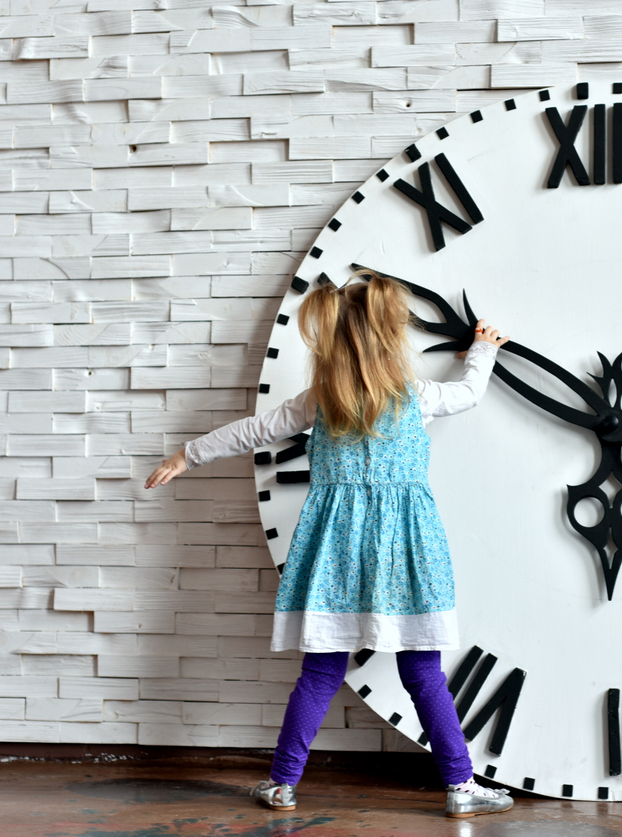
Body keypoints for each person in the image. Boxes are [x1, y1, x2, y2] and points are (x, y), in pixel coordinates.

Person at [144, 270, 514, 819]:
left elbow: (253, 431)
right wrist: (482, 350)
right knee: (423, 673)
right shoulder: (416, 395)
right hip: (405, 552)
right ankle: (460, 786)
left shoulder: (322, 400)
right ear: (390, 336)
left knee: (320, 673)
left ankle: (282, 785)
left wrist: (186, 455)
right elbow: (469, 393)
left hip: (335, 555)